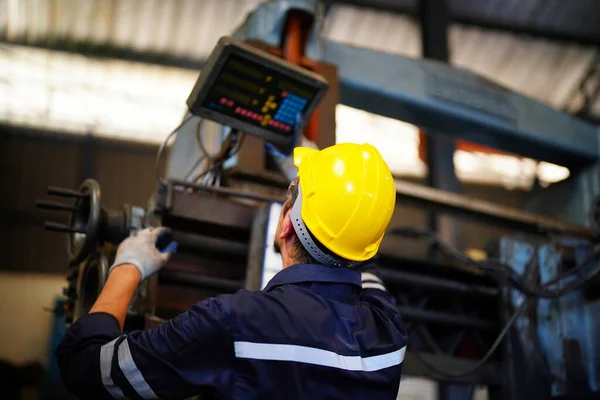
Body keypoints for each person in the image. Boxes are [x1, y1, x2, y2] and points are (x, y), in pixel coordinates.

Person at [56, 142, 407, 400]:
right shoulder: (388, 334)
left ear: (285, 226)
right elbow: (364, 265)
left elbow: (86, 369)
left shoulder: (234, 323)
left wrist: (127, 266)